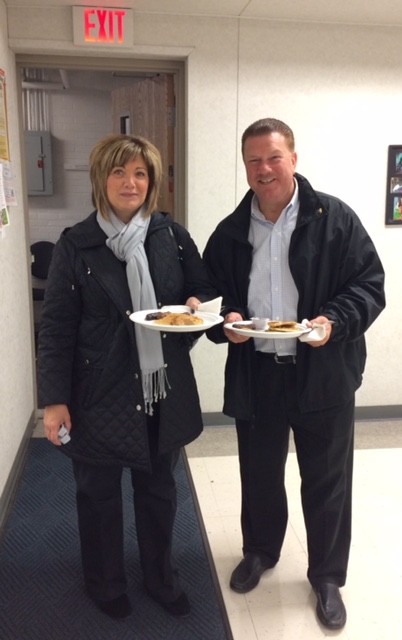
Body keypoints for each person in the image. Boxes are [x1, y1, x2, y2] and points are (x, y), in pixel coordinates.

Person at [203, 118, 385, 630]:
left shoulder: (336, 220)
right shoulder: (231, 230)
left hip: (323, 370)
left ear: (294, 159)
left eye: (273, 157)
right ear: (245, 168)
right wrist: (228, 323)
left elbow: (370, 284)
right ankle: (260, 550)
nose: (264, 170)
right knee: (258, 473)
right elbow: (214, 296)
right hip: (257, 372)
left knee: (327, 480)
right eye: (253, 161)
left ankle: (327, 576)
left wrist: (335, 321)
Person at [37, 133, 216, 621]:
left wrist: (197, 308)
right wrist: (54, 401)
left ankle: (161, 578)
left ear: (152, 181)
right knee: (97, 494)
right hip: (96, 393)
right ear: (101, 179)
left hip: (162, 389)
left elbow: (202, 291)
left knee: (159, 490)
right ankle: (104, 582)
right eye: (119, 172)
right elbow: (55, 328)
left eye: (140, 172)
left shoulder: (171, 237)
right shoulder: (77, 244)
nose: (130, 182)